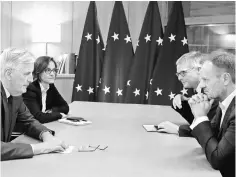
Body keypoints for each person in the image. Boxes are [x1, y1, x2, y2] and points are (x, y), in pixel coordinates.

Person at [1, 48, 68, 161]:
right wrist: (41, 148)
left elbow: (29, 121)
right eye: (26, 73)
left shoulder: (16, 94)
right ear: (8, 74)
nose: (31, 79)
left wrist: (47, 136)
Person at [188, 50, 235, 177]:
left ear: (225, 79)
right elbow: (212, 134)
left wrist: (201, 117)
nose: (201, 86)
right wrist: (201, 115)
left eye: (205, 79)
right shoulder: (225, 102)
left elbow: (218, 159)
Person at [157, 51, 218, 136]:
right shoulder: (197, 91)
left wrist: (178, 129)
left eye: (183, 73)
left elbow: (209, 131)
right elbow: (194, 121)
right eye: (178, 74)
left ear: (199, 70)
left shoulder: (212, 93)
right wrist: (183, 101)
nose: (179, 78)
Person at [22, 56, 69, 123]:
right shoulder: (30, 89)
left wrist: (52, 111)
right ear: (38, 71)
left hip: (46, 125)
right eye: (48, 70)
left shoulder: (51, 86)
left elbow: (65, 107)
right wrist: (59, 115)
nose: (52, 74)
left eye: (54, 70)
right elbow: (38, 117)